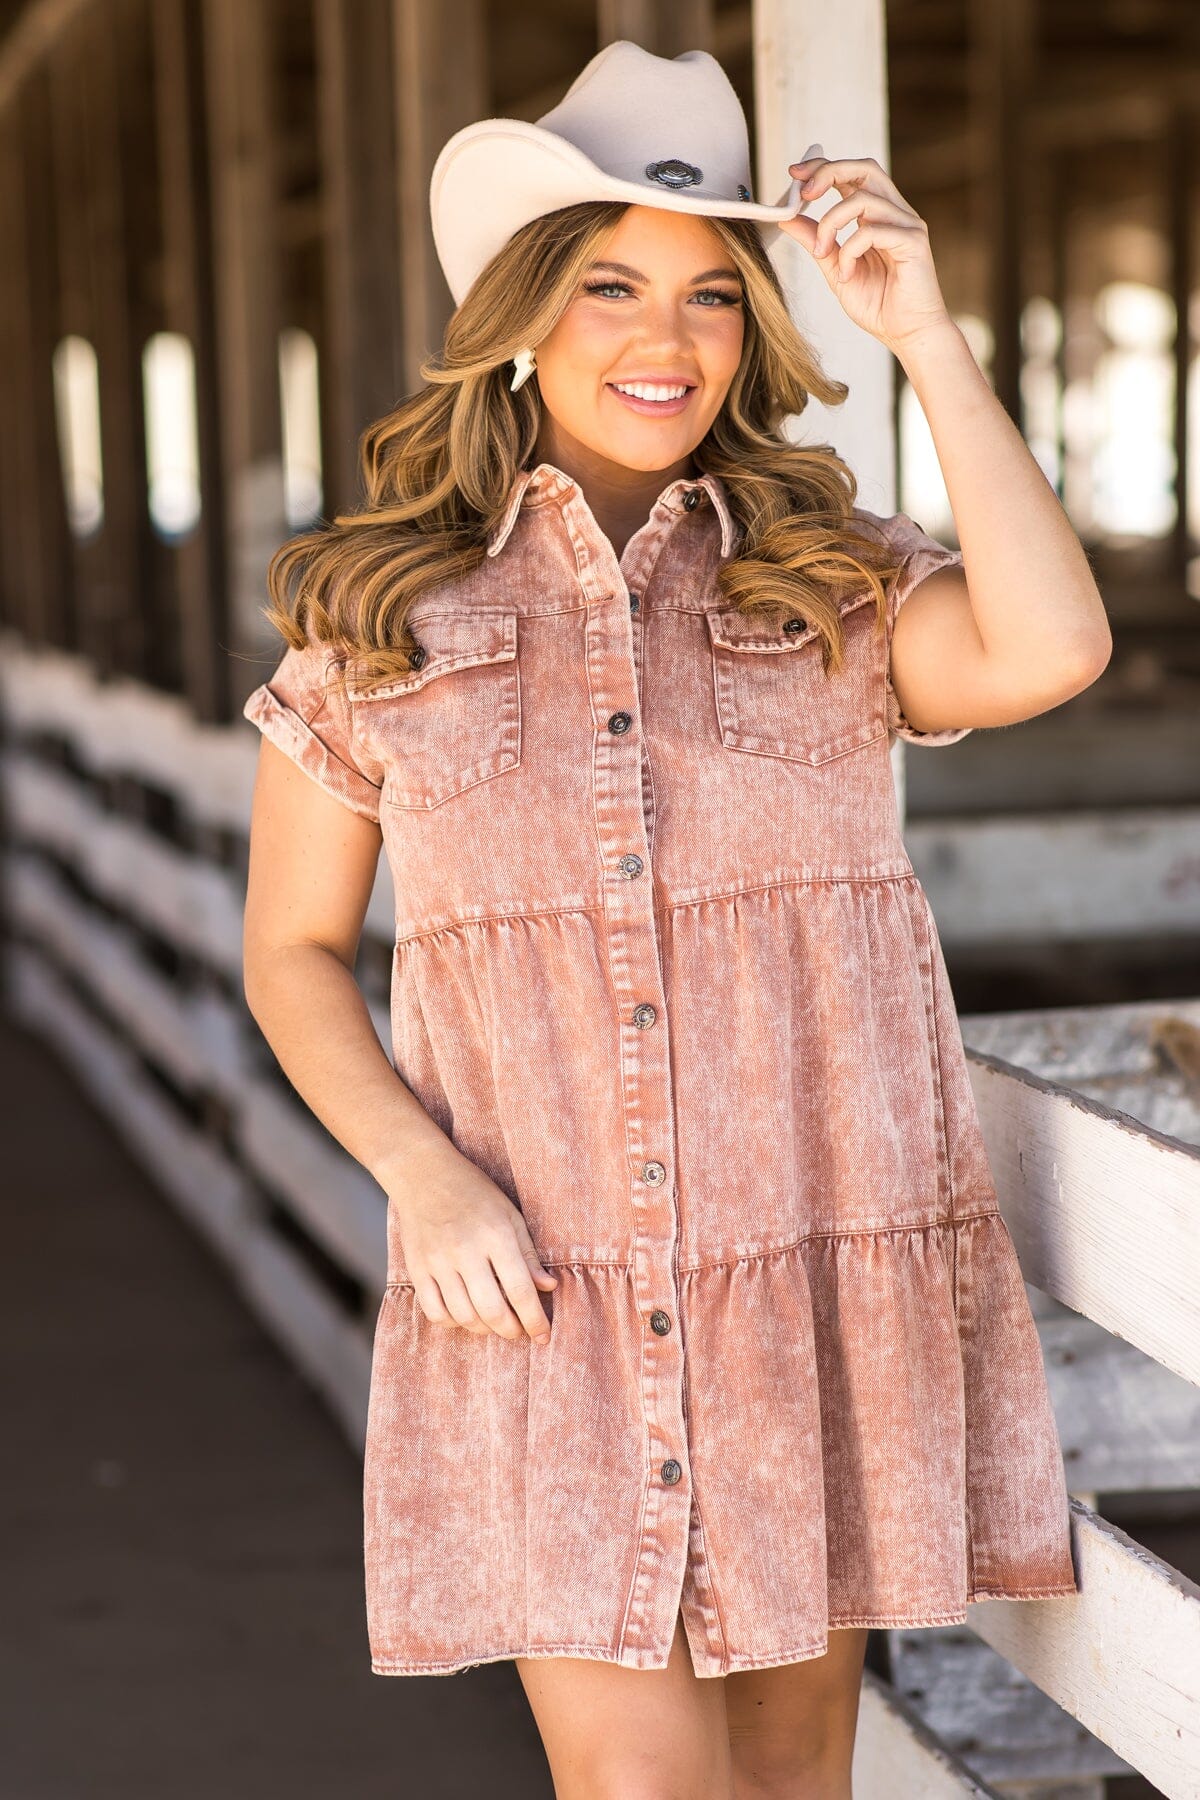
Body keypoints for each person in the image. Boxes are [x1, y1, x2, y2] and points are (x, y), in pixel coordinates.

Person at [240, 39, 1108, 1800]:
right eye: (612, 285)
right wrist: (420, 1175)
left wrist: (928, 337)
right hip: (546, 1302)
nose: (670, 337)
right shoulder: (380, 618)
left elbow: (1052, 647)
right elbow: (291, 951)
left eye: (713, 292)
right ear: (521, 314)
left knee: (791, 1787)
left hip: (808, 1299)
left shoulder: (833, 583)